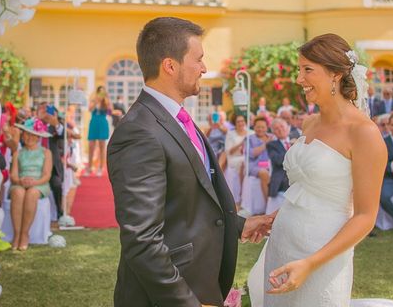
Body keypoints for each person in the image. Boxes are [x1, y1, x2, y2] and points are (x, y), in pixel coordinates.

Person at [107, 17, 272, 307]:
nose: (205, 68)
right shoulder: (139, 131)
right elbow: (142, 239)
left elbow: (186, 201)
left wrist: (238, 226)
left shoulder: (176, 119)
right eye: (199, 59)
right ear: (170, 66)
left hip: (199, 282)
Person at [258, 33, 386, 305]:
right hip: (282, 243)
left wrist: (310, 263)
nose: (299, 79)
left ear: (335, 75)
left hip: (322, 253)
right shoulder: (309, 123)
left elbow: (365, 216)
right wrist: (274, 217)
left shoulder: (364, 133)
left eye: (307, 70)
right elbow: (308, 187)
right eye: (299, 69)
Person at [10, 117, 52, 251]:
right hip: (21, 182)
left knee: (32, 193)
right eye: (27, 133)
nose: (29, 137)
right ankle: (16, 234)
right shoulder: (18, 153)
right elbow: (13, 175)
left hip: (39, 183)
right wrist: (20, 181)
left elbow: (47, 175)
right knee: (18, 192)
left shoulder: (46, 152)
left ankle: (24, 234)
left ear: (38, 137)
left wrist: (34, 182)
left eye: (33, 134)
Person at [38, 102, 65, 221]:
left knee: (57, 184)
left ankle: (60, 212)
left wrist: (56, 124)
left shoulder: (54, 126)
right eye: (42, 110)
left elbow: (62, 134)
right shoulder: (32, 124)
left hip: (52, 166)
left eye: (47, 110)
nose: (45, 113)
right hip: (35, 164)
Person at [225, 113, 253, 208]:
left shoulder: (251, 133)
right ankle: (241, 194)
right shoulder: (231, 134)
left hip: (249, 158)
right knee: (243, 163)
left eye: (242, 121)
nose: (241, 123)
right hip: (235, 158)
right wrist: (241, 143)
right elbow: (229, 152)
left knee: (246, 162)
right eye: (238, 121)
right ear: (235, 123)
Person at [248, 116, 274, 199]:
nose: (260, 129)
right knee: (264, 173)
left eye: (263, 127)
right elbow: (252, 153)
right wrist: (266, 144)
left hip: (271, 164)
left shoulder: (272, 137)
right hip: (255, 165)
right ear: (254, 127)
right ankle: (268, 202)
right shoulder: (249, 138)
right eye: (258, 127)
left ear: (267, 127)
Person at [266, 118, 292, 202]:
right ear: (273, 132)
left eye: (282, 126)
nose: (280, 130)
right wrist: (293, 149)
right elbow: (278, 161)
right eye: (276, 129)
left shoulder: (298, 139)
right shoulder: (271, 145)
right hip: (282, 176)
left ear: (287, 127)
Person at [87, 86, 111, 176]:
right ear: (97, 93)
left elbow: (110, 112)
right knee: (91, 146)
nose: (101, 94)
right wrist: (96, 101)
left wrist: (107, 99)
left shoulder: (106, 102)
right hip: (93, 123)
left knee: (102, 147)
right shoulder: (93, 100)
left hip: (102, 123)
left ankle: (101, 168)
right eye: (100, 92)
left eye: (103, 92)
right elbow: (89, 109)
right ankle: (89, 168)